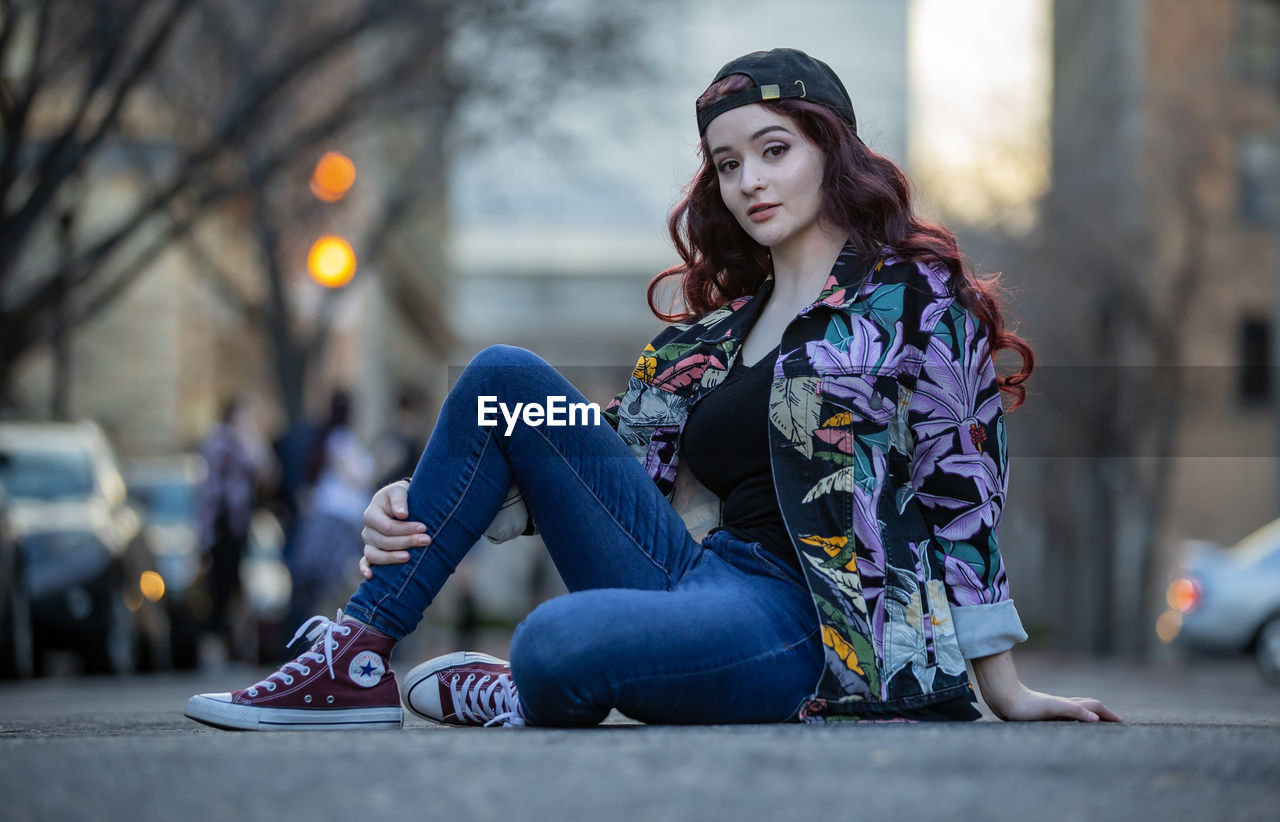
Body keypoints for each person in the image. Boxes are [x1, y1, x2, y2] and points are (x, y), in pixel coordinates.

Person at [186, 48, 1121, 731]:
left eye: (773, 149)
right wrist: (416, 499)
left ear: (831, 151)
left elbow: (963, 492)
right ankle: (355, 657)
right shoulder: (713, 336)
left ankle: (521, 687)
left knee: (553, 643)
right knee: (503, 377)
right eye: (727, 163)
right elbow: (592, 468)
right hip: (694, 575)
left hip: (811, 627)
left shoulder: (912, 300)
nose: (749, 180)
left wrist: (1006, 688)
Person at [284, 390, 376, 629]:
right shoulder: (341, 440)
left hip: (335, 519)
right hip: (337, 521)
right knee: (330, 581)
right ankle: (322, 630)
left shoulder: (334, 439)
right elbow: (359, 476)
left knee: (323, 581)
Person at [195, 395, 272, 664]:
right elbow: (264, 467)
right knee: (224, 588)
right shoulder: (230, 440)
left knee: (229, 587)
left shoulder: (217, 440)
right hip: (225, 526)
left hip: (224, 527)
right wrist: (252, 433)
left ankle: (230, 648)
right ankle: (221, 649)